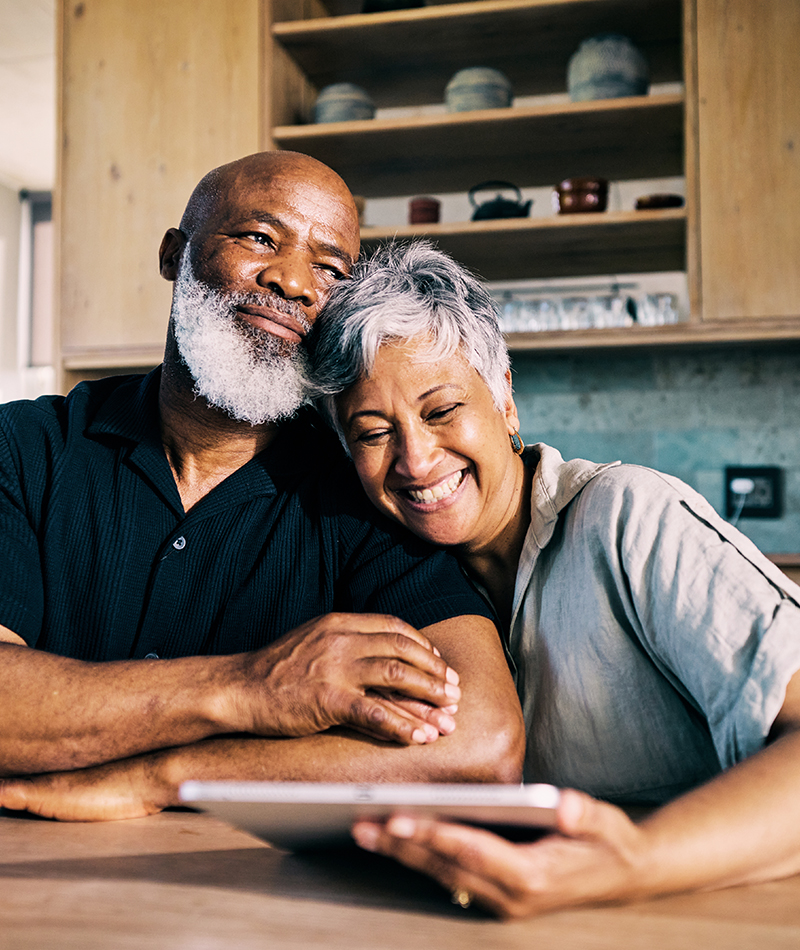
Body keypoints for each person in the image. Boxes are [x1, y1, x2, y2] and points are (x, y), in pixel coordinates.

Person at [0, 155, 524, 822]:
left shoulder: (362, 491)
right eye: (258, 238)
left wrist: (173, 775)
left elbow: (483, 743)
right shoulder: (23, 448)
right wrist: (248, 687)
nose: (294, 281)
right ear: (174, 254)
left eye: (330, 268)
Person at [308, 239, 800, 919]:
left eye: (442, 410)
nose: (416, 461)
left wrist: (632, 862)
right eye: (372, 433)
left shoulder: (628, 516)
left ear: (504, 398)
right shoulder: (394, 586)